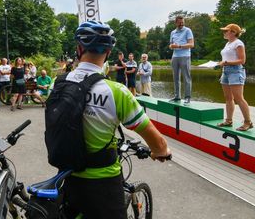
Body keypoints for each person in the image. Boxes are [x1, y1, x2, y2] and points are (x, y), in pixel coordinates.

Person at [62, 21, 171, 219]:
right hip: (103, 182)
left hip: (67, 175)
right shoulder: (116, 91)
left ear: (79, 49)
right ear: (109, 53)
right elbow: (158, 142)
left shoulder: (59, 84)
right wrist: (161, 152)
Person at [216, 24, 253, 131]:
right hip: (226, 72)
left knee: (239, 98)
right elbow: (227, 57)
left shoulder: (238, 43)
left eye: (225, 31)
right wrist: (222, 63)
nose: (224, 32)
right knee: (228, 98)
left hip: (236, 72)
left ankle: (248, 122)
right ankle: (228, 120)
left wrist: (226, 62)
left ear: (232, 32)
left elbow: (242, 60)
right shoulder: (228, 43)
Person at [169, 15, 194, 104]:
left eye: (182, 22)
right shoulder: (172, 32)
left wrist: (179, 46)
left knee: (186, 77)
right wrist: (171, 46)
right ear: (176, 23)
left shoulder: (188, 30)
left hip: (185, 56)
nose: (181, 24)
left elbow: (191, 44)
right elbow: (171, 44)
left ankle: (187, 97)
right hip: (175, 56)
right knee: (175, 78)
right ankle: (177, 96)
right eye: (179, 23)